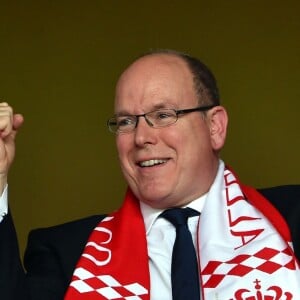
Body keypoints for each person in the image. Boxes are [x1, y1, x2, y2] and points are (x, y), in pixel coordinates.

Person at [0, 50, 299, 300]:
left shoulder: (292, 218)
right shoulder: (66, 253)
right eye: (127, 121)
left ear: (215, 127)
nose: (141, 137)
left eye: (163, 115)